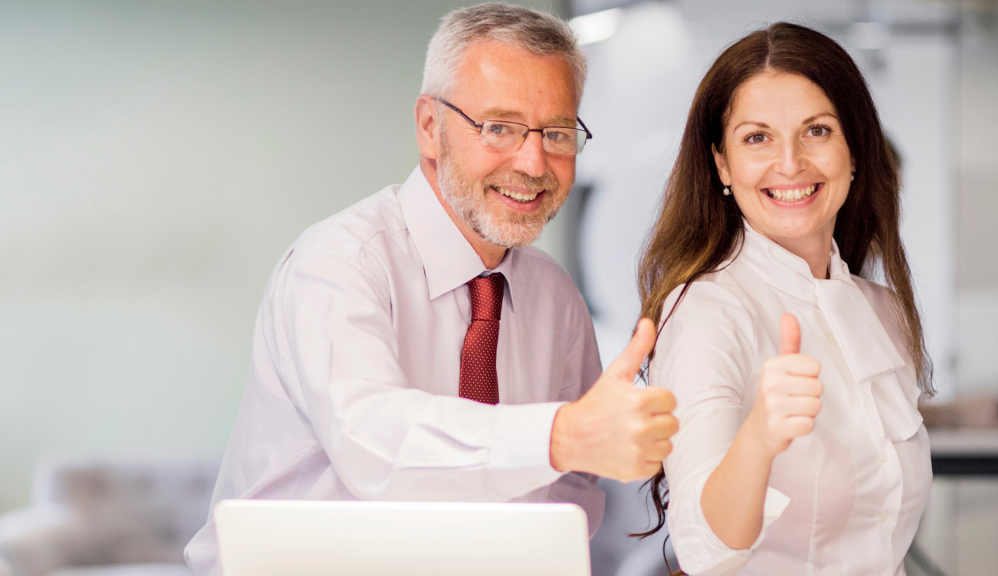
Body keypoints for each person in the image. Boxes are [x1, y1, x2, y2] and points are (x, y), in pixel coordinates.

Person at [184, 4, 679, 575]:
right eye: (499, 127)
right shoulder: (340, 263)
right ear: (429, 127)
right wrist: (559, 435)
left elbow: (571, 489)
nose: (533, 160)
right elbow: (374, 442)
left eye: (558, 132)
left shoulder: (554, 298)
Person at [636, 23, 932, 575]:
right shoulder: (706, 311)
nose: (791, 162)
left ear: (855, 151)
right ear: (723, 165)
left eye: (816, 131)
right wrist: (760, 437)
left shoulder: (884, 312)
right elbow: (705, 547)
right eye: (757, 138)